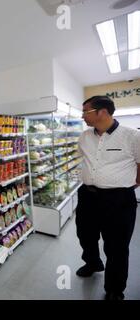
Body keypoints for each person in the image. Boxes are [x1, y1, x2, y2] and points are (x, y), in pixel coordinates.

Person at [76, 95, 140, 300]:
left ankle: (114, 288)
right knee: (86, 235)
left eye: (85, 111)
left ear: (101, 112)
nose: (82, 116)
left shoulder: (132, 136)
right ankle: (93, 262)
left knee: (117, 246)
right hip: (88, 196)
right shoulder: (84, 136)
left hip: (118, 199)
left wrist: (130, 183)